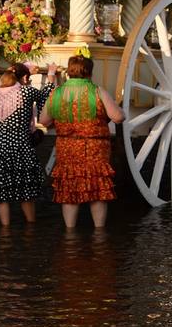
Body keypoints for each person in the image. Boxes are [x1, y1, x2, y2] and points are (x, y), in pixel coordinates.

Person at [40, 50, 124, 229]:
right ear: (89, 72)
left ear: (69, 72)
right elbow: (117, 117)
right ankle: (99, 233)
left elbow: (43, 121)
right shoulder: (97, 91)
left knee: (69, 190)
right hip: (94, 149)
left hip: (67, 148)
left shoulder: (57, 93)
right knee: (97, 190)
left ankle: (70, 233)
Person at [0, 61, 57, 226]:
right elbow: (47, 98)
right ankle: (31, 227)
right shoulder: (26, 91)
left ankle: (5, 229)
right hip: (20, 147)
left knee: (1, 193)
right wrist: (50, 76)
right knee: (26, 192)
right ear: (25, 78)